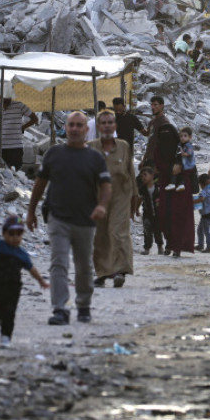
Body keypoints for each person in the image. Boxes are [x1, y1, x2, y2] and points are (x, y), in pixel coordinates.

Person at [26, 111, 111, 326]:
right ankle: (60, 308)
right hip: (58, 218)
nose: (74, 129)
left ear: (86, 129)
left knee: (83, 266)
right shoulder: (54, 154)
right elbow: (40, 184)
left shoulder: (95, 157)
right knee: (59, 263)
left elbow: (106, 185)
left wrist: (101, 206)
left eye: (79, 125)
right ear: (66, 127)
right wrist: (31, 211)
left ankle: (83, 305)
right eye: (71, 125)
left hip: (85, 219)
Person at [0, 215, 48, 348]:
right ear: (4, 234)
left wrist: (41, 280)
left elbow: (31, 268)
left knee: (9, 312)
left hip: (13, 289)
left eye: (18, 234)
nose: (15, 237)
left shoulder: (21, 254)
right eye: (11, 234)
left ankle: (6, 336)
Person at [88, 109, 139, 288]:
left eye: (110, 122)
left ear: (115, 126)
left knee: (118, 231)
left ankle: (120, 271)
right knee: (100, 235)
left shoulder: (123, 146)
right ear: (98, 126)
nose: (107, 126)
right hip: (98, 196)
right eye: (104, 123)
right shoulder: (91, 147)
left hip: (120, 195)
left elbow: (130, 173)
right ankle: (102, 273)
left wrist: (135, 198)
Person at [146, 122, 195, 257]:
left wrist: (181, 170)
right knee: (165, 216)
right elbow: (157, 166)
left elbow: (191, 165)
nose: (166, 138)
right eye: (163, 136)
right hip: (165, 186)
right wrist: (169, 170)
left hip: (181, 188)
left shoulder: (180, 147)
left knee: (179, 217)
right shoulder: (158, 150)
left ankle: (177, 247)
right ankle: (169, 244)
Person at [0, 97, 38, 170]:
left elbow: (34, 118)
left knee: (15, 173)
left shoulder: (19, 105)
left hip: (15, 147)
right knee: (0, 173)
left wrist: (23, 127)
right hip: (0, 147)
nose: (7, 98)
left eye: (8, 95)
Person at [137, 166, 163, 255]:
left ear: (152, 175)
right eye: (141, 176)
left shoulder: (158, 187)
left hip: (158, 213)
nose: (143, 177)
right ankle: (147, 248)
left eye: (145, 175)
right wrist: (136, 209)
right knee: (147, 230)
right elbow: (139, 199)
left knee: (158, 230)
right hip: (147, 213)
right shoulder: (142, 189)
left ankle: (160, 247)